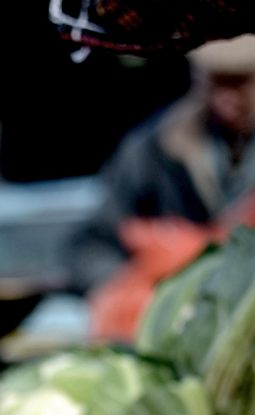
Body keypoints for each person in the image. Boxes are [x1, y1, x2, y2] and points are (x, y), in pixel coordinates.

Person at [69, 33, 255, 295]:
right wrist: (137, 294)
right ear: (197, 77)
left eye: (240, 83)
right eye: (216, 82)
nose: (227, 99)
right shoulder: (153, 147)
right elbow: (94, 244)